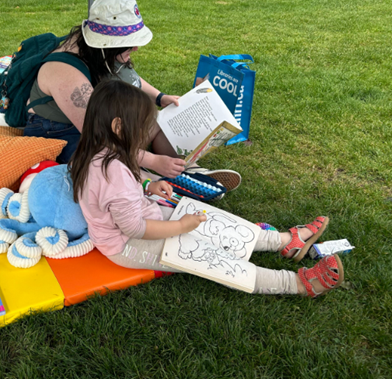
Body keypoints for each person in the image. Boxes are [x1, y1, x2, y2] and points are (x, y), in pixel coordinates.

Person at [69, 80, 345, 298]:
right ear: (119, 127)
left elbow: (117, 189)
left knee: (211, 221)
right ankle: (297, 284)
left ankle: (286, 242)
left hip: (147, 217)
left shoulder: (101, 149)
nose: (147, 132)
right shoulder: (111, 170)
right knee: (212, 259)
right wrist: (181, 227)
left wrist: (149, 185)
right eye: (143, 127)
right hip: (128, 245)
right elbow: (133, 228)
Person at [23, 0, 240, 189]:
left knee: (157, 121)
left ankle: (186, 168)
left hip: (100, 120)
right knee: (105, 163)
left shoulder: (102, 53)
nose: (135, 49)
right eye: (129, 44)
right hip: (63, 132)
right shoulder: (64, 73)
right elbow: (98, 136)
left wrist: (160, 97)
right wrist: (151, 161)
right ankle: (160, 184)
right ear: (106, 45)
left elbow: (129, 77)